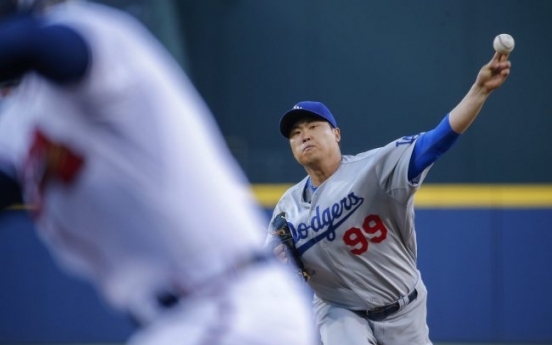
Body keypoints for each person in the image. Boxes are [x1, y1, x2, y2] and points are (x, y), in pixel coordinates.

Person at [0, 1, 317, 344]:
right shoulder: (17, 122)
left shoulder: (93, 32)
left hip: (232, 302)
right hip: (191, 318)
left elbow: (43, 47)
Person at [270, 51, 512, 344]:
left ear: (336, 134)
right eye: (295, 133)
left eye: (312, 127)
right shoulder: (287, 207)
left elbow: (435, 142)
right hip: (339, 310)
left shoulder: (374, 169)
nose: (304, 135)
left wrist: (480, 90)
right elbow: (267, 261)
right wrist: (274, 260)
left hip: (404, 308)